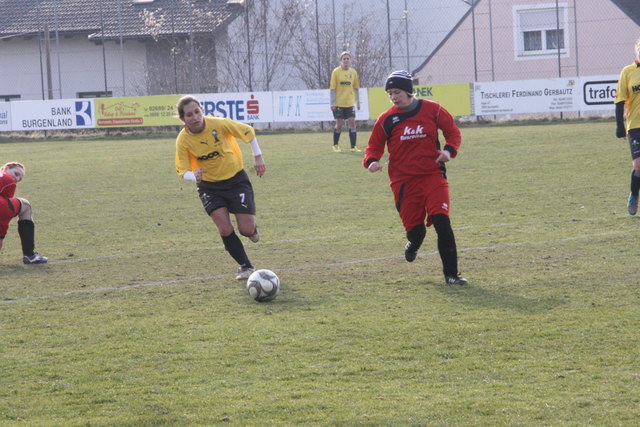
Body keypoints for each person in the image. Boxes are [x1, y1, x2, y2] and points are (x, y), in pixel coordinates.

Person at [363, 70, 467, 285]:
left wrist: (448, 151)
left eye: (397, 92)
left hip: (432, 176)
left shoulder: (433, 109)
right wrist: (372, 161)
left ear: (409, 91)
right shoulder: (386, 119)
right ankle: (413, 243)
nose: (393, 97)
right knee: (416, 231)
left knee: (442, 221)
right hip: (403, 181)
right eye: (390, 93)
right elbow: (373, 146)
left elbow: (453, 132)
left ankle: (451, 275)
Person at [175, 95, 266, 280]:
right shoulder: (183, 140)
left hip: (236, 180)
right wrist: (193, 176)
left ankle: (252, 230)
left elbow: (248, 131)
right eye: (189, 115)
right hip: (209, 187)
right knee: (224, 228)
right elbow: (181, 170)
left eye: (197, 112)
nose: (195, 117)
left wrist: (258, 156)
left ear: (202, 111)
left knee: (246, 230)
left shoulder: (219, 124)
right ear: (183, 119)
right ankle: (245, 266)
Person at [0, 162, 48, 264]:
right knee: (25, 206)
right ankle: (30, 255)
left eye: (19, 179)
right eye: (16, 174)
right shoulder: (7, 178)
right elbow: (5, 208)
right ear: (6, 168)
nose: (16, 179)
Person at [615, 38, 640, 215]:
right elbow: (619, 101)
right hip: (635, 126)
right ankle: (634, 194)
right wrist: (619, 126)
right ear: (636, 51)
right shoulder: (627, 72)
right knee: (638, 165)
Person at [329, 51, 361, 152]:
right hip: (339, 103)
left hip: (350, 103)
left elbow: (356, 88)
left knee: (352, 122)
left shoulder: (353, 72)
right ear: (341, 61)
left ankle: (353, 147)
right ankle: (335, 145)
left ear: (350, 60)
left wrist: (358, 102)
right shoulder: (336, 72)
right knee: (339, 124)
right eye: (344, 59)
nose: (346, 60)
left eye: (348, 59)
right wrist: (332, 103)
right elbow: (332, 89)